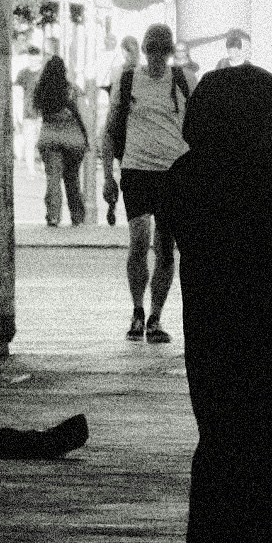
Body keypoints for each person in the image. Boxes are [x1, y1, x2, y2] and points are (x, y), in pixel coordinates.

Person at [163, 64, 272, 543]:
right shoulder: (263, 179)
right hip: (268, 335)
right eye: (271, 119)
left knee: (221, 454)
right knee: (266, 461)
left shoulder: (187, 176)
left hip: (212, 333)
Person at [109, 24, 191, 339]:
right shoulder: (129, 79)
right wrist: (108, 176)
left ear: (170, 53)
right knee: (139, 241)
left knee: (166, 248)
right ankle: (137, 311)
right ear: (145, 51)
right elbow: (111, 128)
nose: (157, 56)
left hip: (173, 172)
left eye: (163, 50)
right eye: (151, 49)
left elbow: (198, 124)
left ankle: (156, 317)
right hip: (137, 170)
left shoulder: (183, 80)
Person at [28, 46, 88, 226]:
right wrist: (87, 139)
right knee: (72, 178)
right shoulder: (72, 89)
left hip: (49, 139)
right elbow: (83, 114)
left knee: (53, 179)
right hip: (73, 140)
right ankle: (77, 216)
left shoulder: (41, 90)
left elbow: (34, 111)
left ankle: (53, 216)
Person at [97, 35, 139, 226]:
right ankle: (132, 210)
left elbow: (114, 103)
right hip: (134, 129)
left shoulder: (118, 71)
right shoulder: (142, 71)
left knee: (113, 167)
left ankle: (111, 197)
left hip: (119, 126)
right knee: (129, 173)